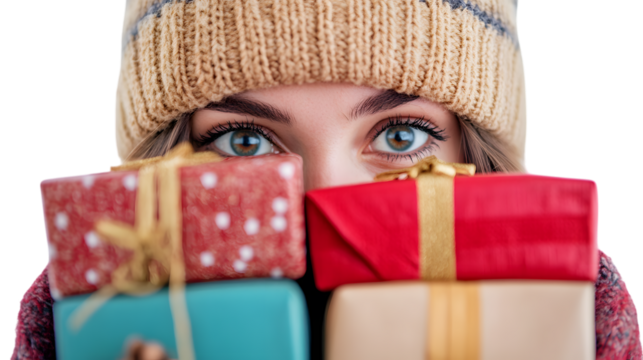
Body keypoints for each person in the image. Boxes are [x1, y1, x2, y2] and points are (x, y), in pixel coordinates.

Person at [12, 0, 641, 359]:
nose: (322, 202)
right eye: (245, 141)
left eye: (401, 137)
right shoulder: (82, 321)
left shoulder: (577, 316)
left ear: (480, 160)